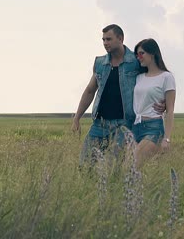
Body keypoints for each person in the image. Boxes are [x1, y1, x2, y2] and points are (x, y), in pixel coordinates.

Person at [72, 24, 164, 168]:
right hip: (99, 124)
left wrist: (163, 102)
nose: (105, 43)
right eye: (103, 40)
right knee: (84, 166)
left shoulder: (135, 61)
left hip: (123, 125)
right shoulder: (100, 63)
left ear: (120, 38)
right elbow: (90, 90)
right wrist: (77, 117)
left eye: (108, 39)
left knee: (114, 167)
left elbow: (154, 78)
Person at [132, 38, 176, 168]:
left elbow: (170, 110)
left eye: (141, 53)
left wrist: (166, 139)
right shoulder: (139, 77)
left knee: (132, 165)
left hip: (153, 127)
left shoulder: (166, 77)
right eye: (137, 55)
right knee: (139, 168)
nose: (138, 57)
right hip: (135, 127)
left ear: (152, 53)